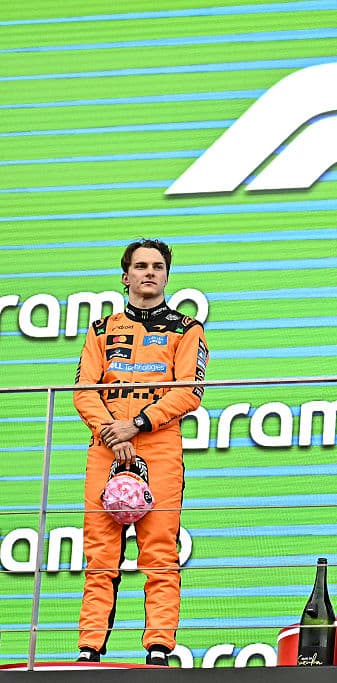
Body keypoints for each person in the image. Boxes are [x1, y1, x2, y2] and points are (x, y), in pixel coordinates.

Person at [73, 239, 209, 665]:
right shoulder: (100, 329)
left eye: (157, 266)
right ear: (125, 276)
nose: (149, 272)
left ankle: (158, 648)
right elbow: (83, 392)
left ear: (167, 275)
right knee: (100, 553)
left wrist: (136, 424)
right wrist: (113, 433)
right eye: (140, 266)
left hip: (159, 445)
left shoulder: (187, 329)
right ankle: (89, 648)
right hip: (106, 446)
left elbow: (190, 391)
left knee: (159, 552)